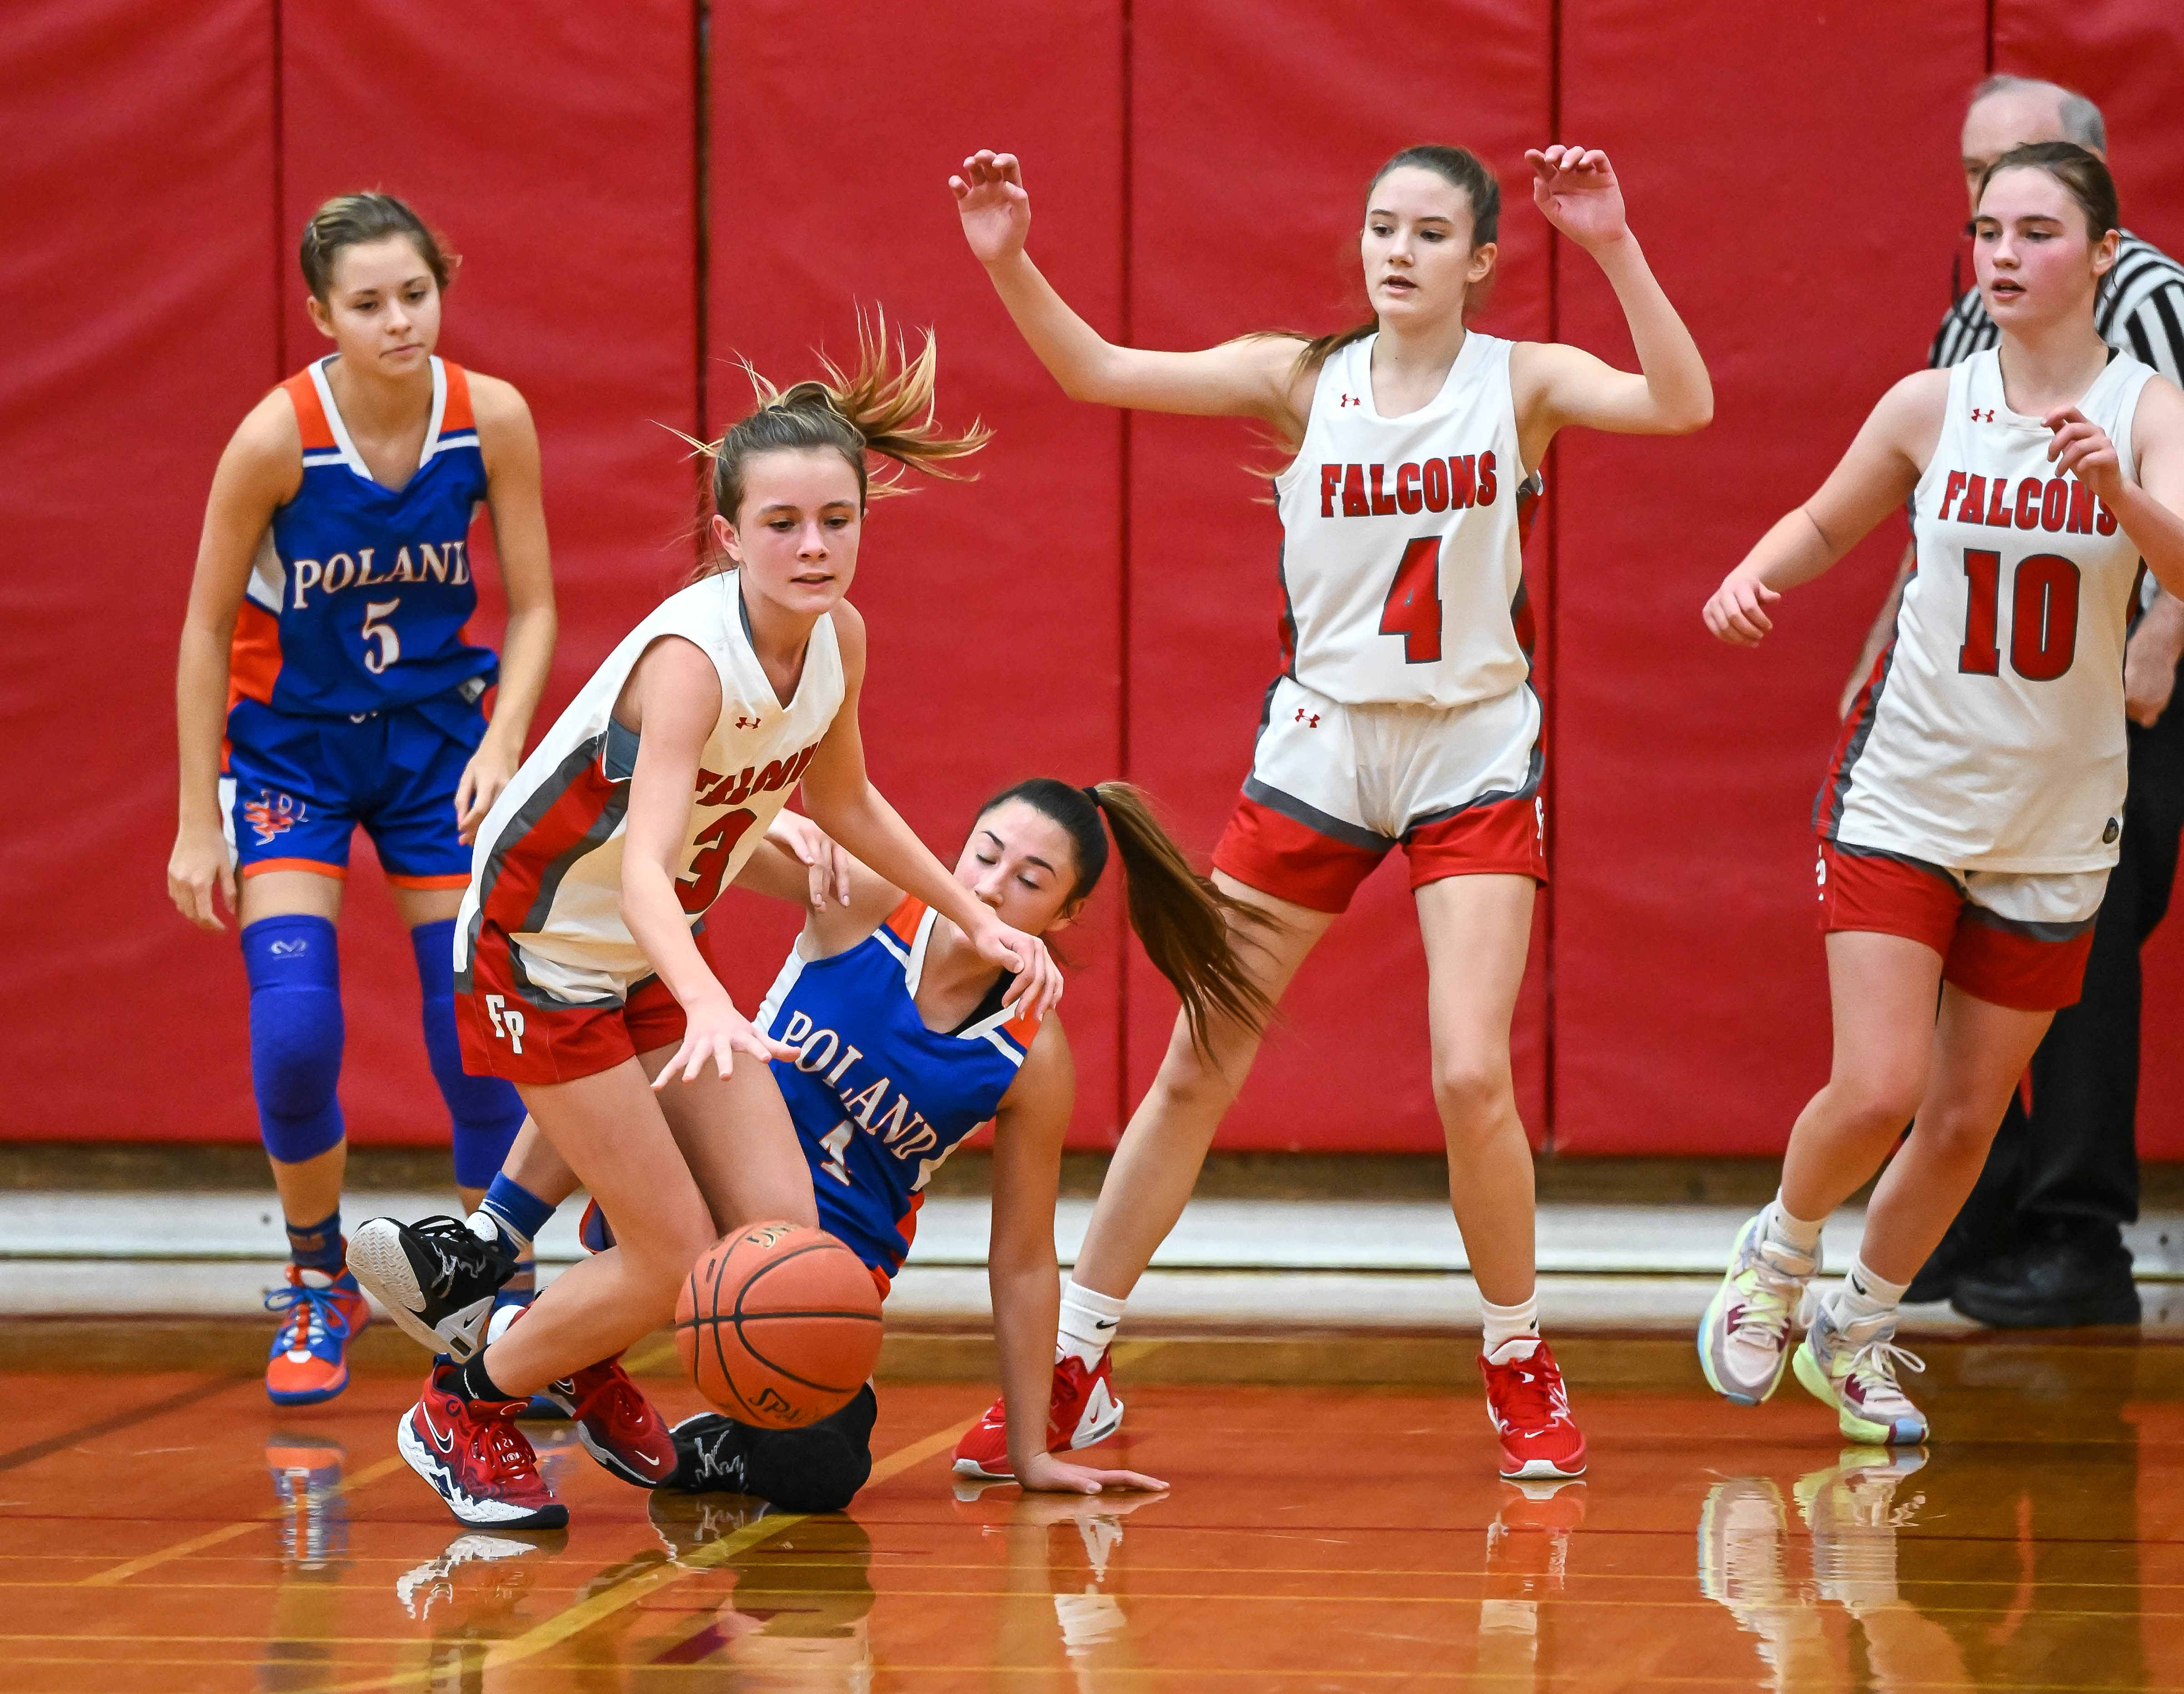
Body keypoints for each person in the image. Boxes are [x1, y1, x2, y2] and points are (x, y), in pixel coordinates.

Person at [942, 141, 1713, 1482]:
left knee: (1470, 1072)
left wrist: (1611, 243)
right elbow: (1096, 371)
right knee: (1198, 1059)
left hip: (1471, 743)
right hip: (1325, 742)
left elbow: (1683, 405)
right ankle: (1075, 1358)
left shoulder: (1521, 380)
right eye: (1381, 226)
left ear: (1480, 258)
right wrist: (1008, 258)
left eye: (1430, 232)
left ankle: (1517, 1350)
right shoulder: (1300, 375)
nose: (1398, 251)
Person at [371, 325, 1070, 1530]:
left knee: (781, 1232)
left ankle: (575, 1337)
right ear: (731, 534)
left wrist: (978, 917)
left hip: (641, 946)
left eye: (837, 520)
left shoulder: (840, 638)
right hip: (539, 948)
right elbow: (646, 866)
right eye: (783, 523)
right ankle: (463, 1406)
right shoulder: (694, 660)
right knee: (671, 1253)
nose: (815, 545)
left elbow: (846, 800)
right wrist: (704, 998)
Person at [363, 776, 1238, 1505]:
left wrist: (1031, 1449)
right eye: (985, 853)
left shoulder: (1031, 1056)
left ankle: (642, 1392)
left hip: (818, 1279)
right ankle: (491, 1257)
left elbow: (1021, 1261)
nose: (993, 885)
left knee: (823, 1472)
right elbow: (669, 845)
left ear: (1066, 913)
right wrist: (766, 817)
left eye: (1031, 879)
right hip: (712, 1179)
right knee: (649, 1015)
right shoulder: (870, 897)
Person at [1696, 143, 2184, 1444]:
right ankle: (1778, 1253)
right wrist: (1755, 574)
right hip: (1907, 790)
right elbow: (1825, 521)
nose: (2005, 255)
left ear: (2104, 252)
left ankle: (1855, 1329)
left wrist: (2118, 494)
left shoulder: (2148, 410)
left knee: (1966, 1118)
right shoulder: (1931, 402)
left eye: (2038, 231)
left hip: (2056, 817)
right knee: (1879, 1086)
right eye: (1988, 231)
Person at [165, 193, 557, 1406]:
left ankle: (494, 1297)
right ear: (322, 314)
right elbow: (205, 627)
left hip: (436, 748)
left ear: (444, 285)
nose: (399, 320)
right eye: (369, 302)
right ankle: (315, 1275)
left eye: (415, 294)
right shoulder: (275, 439)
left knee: (475, 1039)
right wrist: (195, 818)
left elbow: (537, 605)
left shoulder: (490, 416)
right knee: (294, 1034)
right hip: (292, 754)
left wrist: (505, 741)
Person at [1841, 77, 2184, 1328]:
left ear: (2094, 196)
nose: (1995, 204)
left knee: (2076, 948)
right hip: (1975, 692)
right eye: (1978, 182)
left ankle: (2078, 1233)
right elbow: (1940, 506)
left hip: (2115, 677)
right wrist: (1884, 639)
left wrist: (2165, 631)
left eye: (2025, 172)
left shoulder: (2152, 308)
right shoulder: (1976, 315)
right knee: (1953, 943)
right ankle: (1971, 1203)